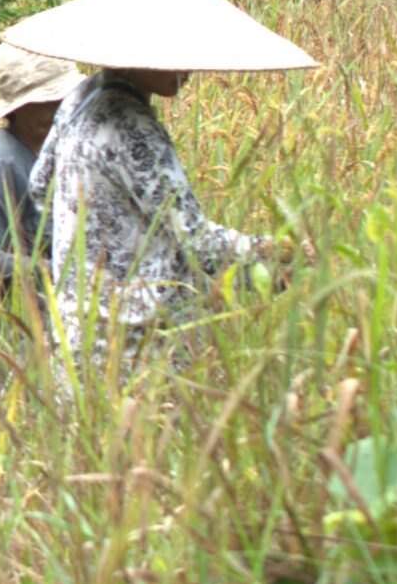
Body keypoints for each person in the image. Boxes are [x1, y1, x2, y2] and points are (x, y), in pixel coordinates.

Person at [27, 67, 278, 364]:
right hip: (134, 349)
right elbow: (197, 241)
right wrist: (273, 250)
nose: (186, 70)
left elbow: (39, 187)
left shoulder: (79, 98)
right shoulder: (131, 126)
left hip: (73, 332)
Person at [0, 43, 82, 288]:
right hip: (25, 316)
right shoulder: (2, 164)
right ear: (19, 108)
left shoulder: (57, 148)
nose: (58, 108)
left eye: (63, 99)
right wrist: (62, 272)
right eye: (46, 101)